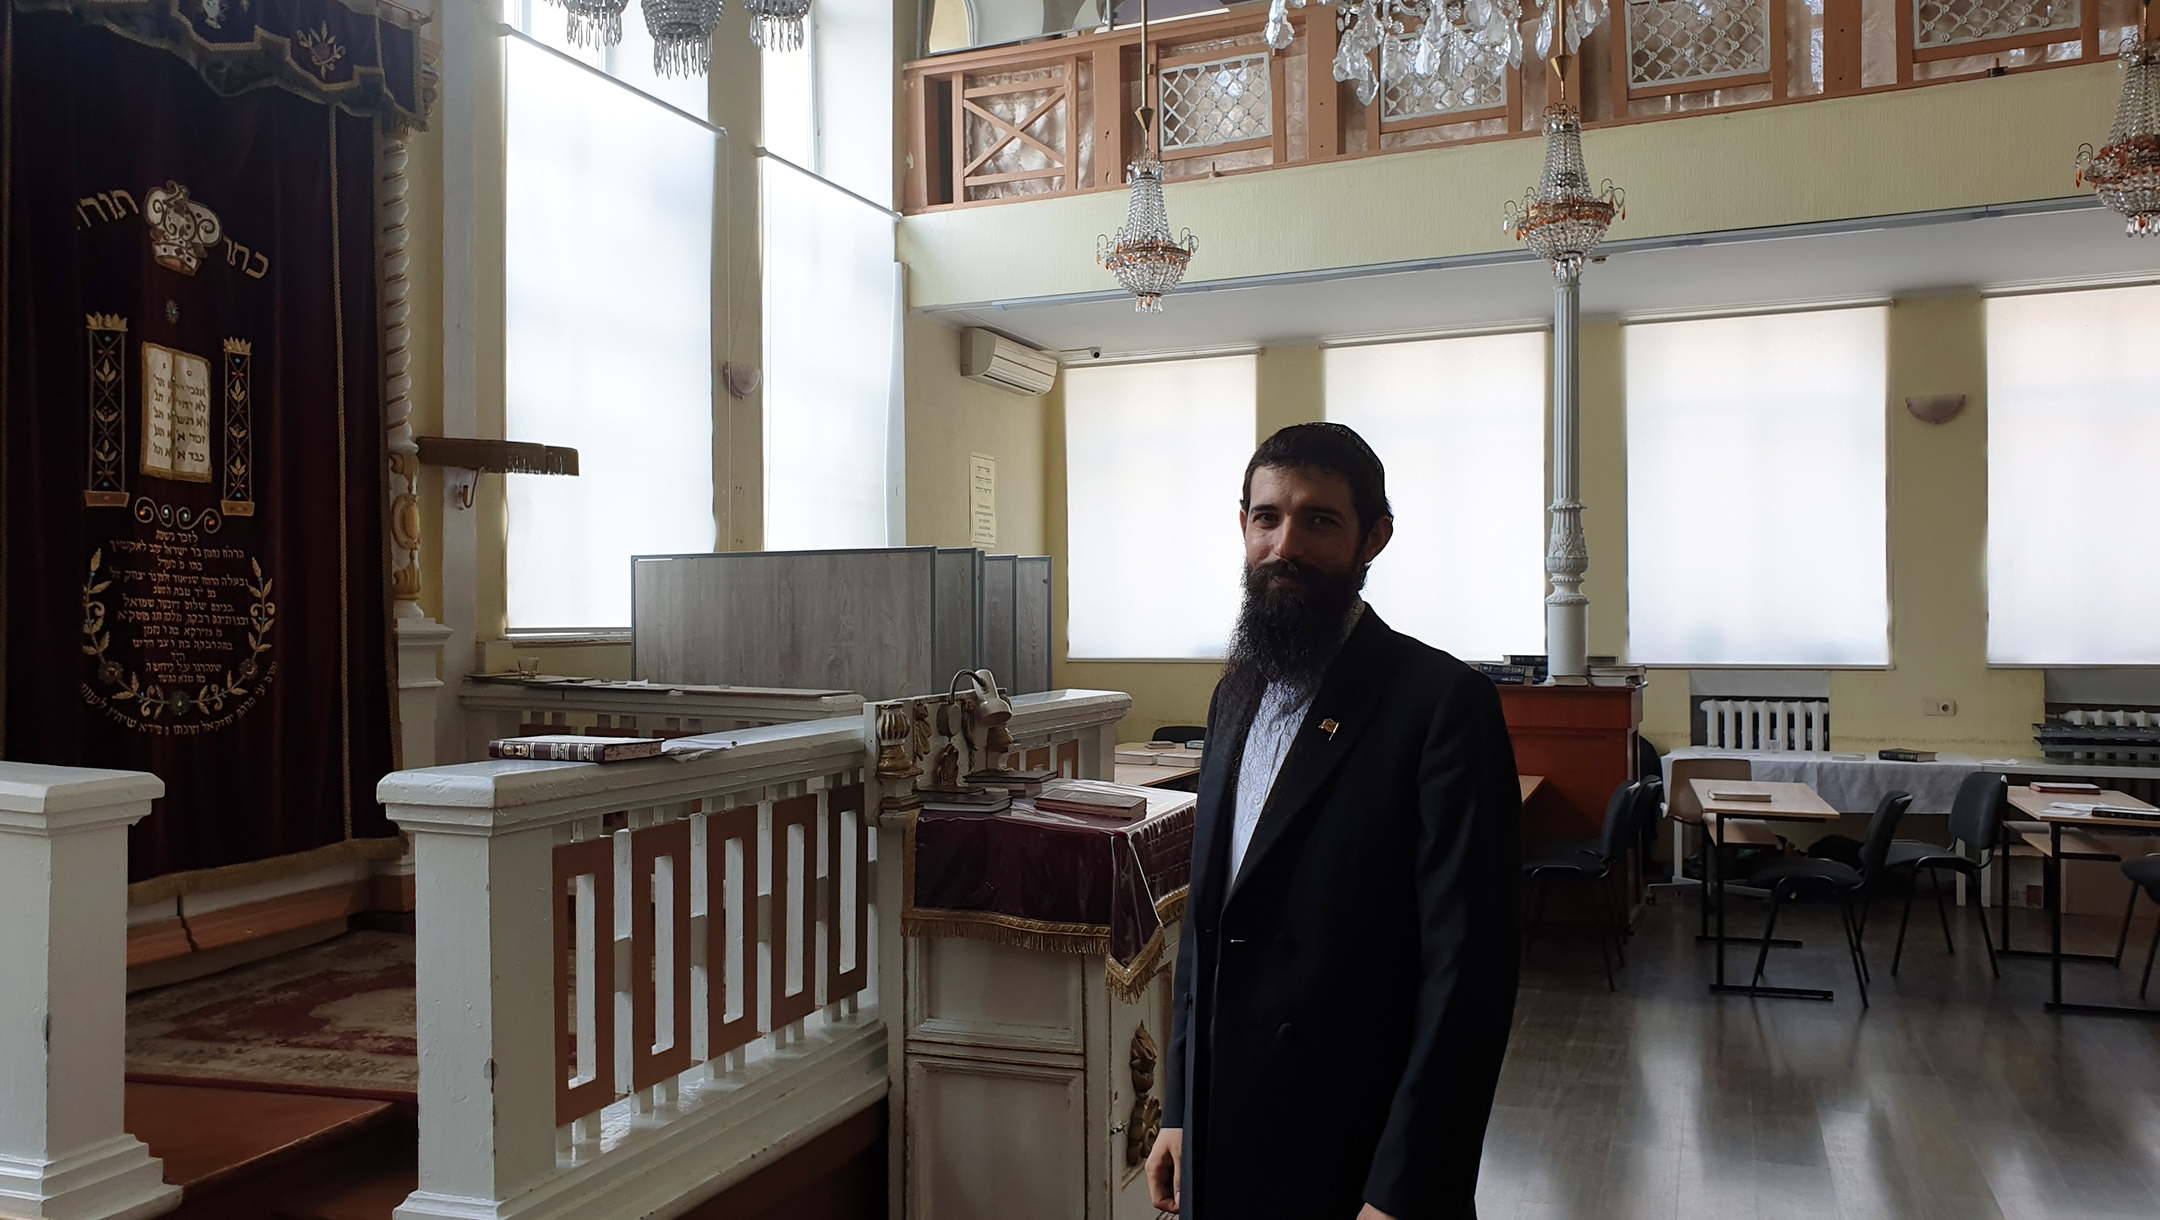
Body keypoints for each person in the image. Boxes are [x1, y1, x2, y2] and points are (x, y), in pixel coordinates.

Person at [1145, 422, 1522, 1220]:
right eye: (1267, 517)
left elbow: (1468, 974)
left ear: (1372, 539)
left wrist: (1407, 1185)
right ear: (1243, 526)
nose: (1288, 544)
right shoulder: (1235, 693)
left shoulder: (1440, 704)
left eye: (1320, 520)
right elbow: (1208, 925)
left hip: (1355, 1150)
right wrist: (1180, 1108)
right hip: (1228, 1126)